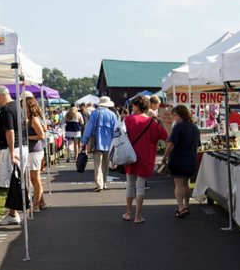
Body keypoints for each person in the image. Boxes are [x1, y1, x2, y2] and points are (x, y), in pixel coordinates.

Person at [122, 96, 168, 224]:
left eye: (133, 105)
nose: (132, 108)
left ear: (137, 106)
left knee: (130, 185)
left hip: (130, 156)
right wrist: (160, 122)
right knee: (140, 186)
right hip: (145, 157)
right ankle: (138, 216)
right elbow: (165, 136)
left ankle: (128, 213)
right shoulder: (152, 123)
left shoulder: (128, 120)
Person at [0, 85, 28, 225]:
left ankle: (13, 213)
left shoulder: (6, 109)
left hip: (12, 149)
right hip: (21, 147)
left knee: (13, 182)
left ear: (1, 96)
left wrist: (12, 152)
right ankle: (13, 212)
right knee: (16, 181)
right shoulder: (18, 107)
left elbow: (10, 131)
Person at [163, 105, 200, 218]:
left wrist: (164, 156)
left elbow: (171, 144)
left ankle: (180, 208)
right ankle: (186, 205)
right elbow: (198, 145)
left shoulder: (178, 127)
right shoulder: (195, 128)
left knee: (178, 183)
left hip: (179, 158)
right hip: (191, 159)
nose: (173, 117)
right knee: (186, 184)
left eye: (174, 115)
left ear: (180, 115)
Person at [81, 96, 118, 192]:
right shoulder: (112, 115)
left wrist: (84, 140)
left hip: (97, 142)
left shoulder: (95, 113)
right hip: (109, 143)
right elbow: (116, 130)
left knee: (97, 163)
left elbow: (89, 128)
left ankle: (99, 184)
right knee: (106, 163)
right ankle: (104, 182)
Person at [24, 95, 47, 212]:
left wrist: (27, 137)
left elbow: (41, 135)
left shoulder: (33, 119)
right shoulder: (31, 118)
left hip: (34, 151)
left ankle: (36, 204)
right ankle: (41, 202)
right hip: (33, 151)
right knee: (34, 178)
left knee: (34, 179)